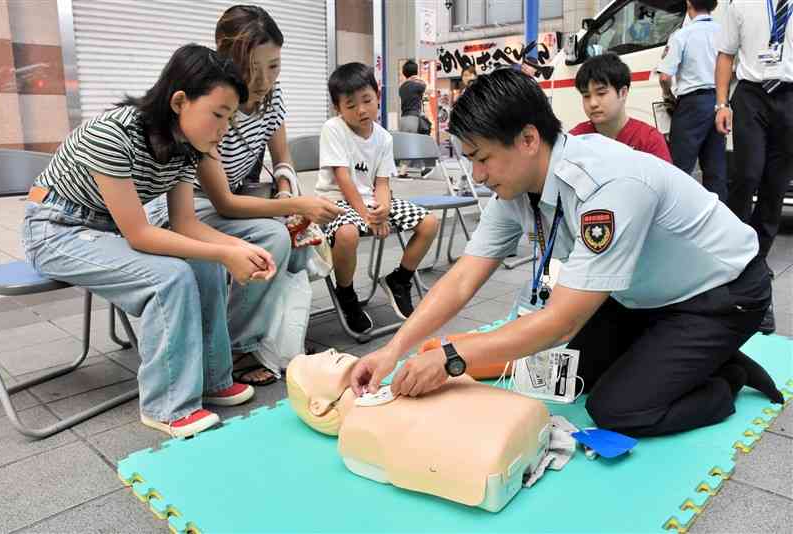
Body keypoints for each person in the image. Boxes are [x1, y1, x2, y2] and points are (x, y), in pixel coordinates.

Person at [350, 69, 783, 438]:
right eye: (469, 161)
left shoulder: (606, 187)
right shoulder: (514, 189)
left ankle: (726, 376)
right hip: (639, 293)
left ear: (528, 139)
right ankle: (674, 352)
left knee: (618, 409)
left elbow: (560, 320)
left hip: (721, 293)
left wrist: (450, 359)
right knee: (567, 377)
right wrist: (394, 351)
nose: (478, 176)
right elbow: (464, 277)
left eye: (482, 159)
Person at [22, 44, 269, 437]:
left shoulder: (188, 147)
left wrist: (237, 250)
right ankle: (167, 405)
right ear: (179, 101)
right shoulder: (113, 133)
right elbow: (139, 234)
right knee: (168, 276)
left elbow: (185, 223)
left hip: (104, 229)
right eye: (218, 116)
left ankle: (212, 379)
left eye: (230, 120)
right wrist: (226, 250)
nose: (223, 131)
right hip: (55, 229)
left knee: (205, 263)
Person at [146, 5, 343, 386]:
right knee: (272, 238)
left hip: (233, 201)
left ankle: (271, 339)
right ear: (226, 56)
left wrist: (287, 189)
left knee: (291, 237)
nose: (264, 80)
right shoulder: (216, 101)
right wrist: (296, 204)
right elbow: (222, 202)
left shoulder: (271, 96)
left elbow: (282, 157)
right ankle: (233, 347)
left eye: (274, 66)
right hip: (189, 206)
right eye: (253, 68)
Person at [286, 349, 550, 512]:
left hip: (514, 426)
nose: (329, 350)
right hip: (498, 447)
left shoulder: (395, 387)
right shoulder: (356, 431)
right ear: (317, 406)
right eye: (318, 359)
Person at [316, 62, 439, 333]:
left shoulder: (383, 137)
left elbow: (382, 182)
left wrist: (381, 209)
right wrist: (367, 215)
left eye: (367, 100)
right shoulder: (333, 129)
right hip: (335, 202)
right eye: (350, 105)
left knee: (429, 223)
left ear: (378, 96)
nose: (361, 110)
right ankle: (346, 294)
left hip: (369, 201)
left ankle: (400, 279)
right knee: (347, 234)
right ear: (338, 108)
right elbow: (343, 179)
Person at [715, 0, 793, 335]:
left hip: (790, 97)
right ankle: (731, 258)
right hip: (751, 95)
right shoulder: (741, 3)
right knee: (747, 176)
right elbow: (725, 55)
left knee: (776, 188)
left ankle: (756, 270)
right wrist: (722, 103)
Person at [657, 0, 727, 201]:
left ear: (688, 3)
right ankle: (719, 222)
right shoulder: (723, 33)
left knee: (679, 168)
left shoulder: (682, 35)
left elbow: (664, 77)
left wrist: (667, 95)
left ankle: (676, 218)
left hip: (691, 105)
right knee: (716, 169)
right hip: (718, 102)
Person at [570, 53, 672, 163]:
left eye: (601, 93)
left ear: (623, 93)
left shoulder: (649, 141)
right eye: (586, 96)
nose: (592, 103)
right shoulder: (575, 139)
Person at [397, 59, 429, 176]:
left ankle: (423, 168)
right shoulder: (417, 85)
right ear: (416, 71)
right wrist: (419, 79)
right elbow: (427, 88)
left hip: (403, 118)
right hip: (413, 117)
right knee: (414, 143)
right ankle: (403, 171)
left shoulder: (402, 87)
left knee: (410, 143)